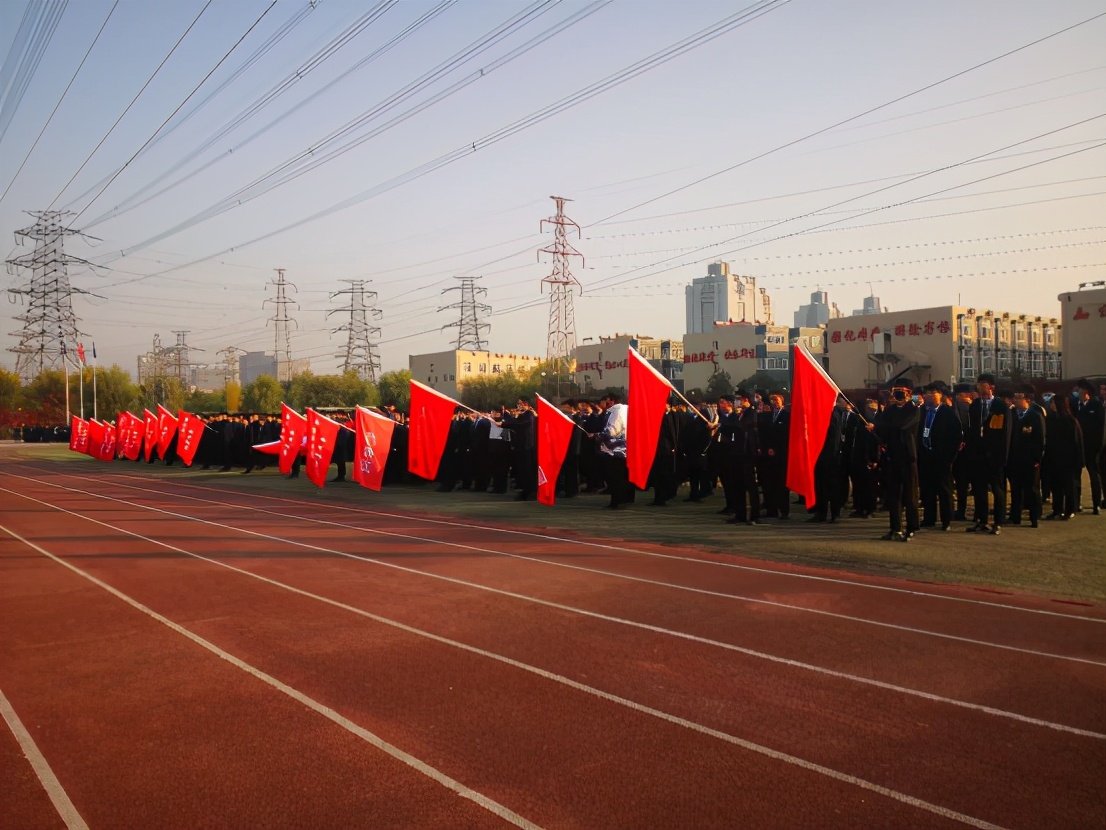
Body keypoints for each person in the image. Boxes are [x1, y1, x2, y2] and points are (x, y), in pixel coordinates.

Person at [965, 373, 1012, 535]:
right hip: (978, 455)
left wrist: (1002, 458)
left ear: (991, 387)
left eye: (982, 384)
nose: (979, 387)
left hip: (995, 455)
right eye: (978, 384)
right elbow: (971, 431)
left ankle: (998, 521)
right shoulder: (975, 405)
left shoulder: (1000, 406)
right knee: (979, 489)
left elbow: (1005, 434)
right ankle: (982, 520)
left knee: (998, 490)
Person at [875, 383, 920, 541]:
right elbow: (881, 427)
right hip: (892, 457)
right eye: (896, 393)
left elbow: (902, 426)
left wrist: (883, 426)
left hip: (908, 457)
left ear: (908, 393)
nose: (899, 396)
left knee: (910, 494)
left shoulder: (914, 410)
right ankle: (895, 527)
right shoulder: (889, 410)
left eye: (901, 393)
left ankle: (912, 526)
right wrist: (874, 428)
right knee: (893, 495)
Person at [917, 383, 962, 530]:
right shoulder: (922, 412)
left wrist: (949, 457)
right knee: (927, 489)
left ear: (940, 395)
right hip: (925, 456)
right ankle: (929, 518)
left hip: (941, 457)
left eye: (932, 393)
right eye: (927, 393)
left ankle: (946, 520)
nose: (929, 396)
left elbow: (955, 437)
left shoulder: (947, 413)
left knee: (944, 490)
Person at [1008, 385, 1046, 528]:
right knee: (1016, 489)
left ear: (1028, 400)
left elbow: (1040, 439)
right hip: (1014, 459)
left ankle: (1034, 517)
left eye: (1019, 397)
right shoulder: (1012, 415)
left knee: (1032, 489)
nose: (1016, 400)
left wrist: (1037, 459)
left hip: (1030, 460)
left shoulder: (1035, 416)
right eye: (1015, 397)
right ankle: (1015, 516)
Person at [809, 395, 851, 524]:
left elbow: (835, 436)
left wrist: (832, 454)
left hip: (832, 456)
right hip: (818, 455)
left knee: (833, 486)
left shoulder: (836, 413)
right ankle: (820, 513)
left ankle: (835, 513)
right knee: (819, 486)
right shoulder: (817, 412)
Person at [1044, 394, 1083, 520]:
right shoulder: (1050, 419)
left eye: (1053, 402)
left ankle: (1070, 509)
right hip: (1054, 458)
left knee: (1069, 486)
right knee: (1056, 486)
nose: (1051, 405)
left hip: (1068, 459)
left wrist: (1079, 460)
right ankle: (1057, 509)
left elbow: (1077, 442)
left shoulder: (1071, 421)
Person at [593, 391, 631, 508]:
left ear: (611, 401)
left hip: (614, 450)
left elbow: (612, 430)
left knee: (615, 477)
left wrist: (596, 435)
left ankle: (616, 501)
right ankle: (625, 498)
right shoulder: (627, 410)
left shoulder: (616, 412)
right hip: (625, 448)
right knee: (623, 477)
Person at [1072, 379, 1104, 515]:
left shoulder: (1096, 406)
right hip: (1079, 447)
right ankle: (1075, 503)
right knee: (1076, 475)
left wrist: (1098, 447)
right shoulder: (1076, 406)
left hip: (1092, 447)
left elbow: (1101, 428)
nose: (1077, 392)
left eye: (1079, 390)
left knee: (1094, 475)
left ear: (1086, 392)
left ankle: (1096, 504)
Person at [759, 392, 790, 519]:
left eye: (776, 400)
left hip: (781, 454)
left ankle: (784, 510)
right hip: (768, 454)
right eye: (772, 400)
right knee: (769, 483)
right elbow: (764, 433)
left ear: (782, 401)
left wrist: (776, 448)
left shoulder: (787, 415)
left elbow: (785, 435)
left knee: (781, 484)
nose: (774, 402)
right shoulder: (767, 416)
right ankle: (771, 509)